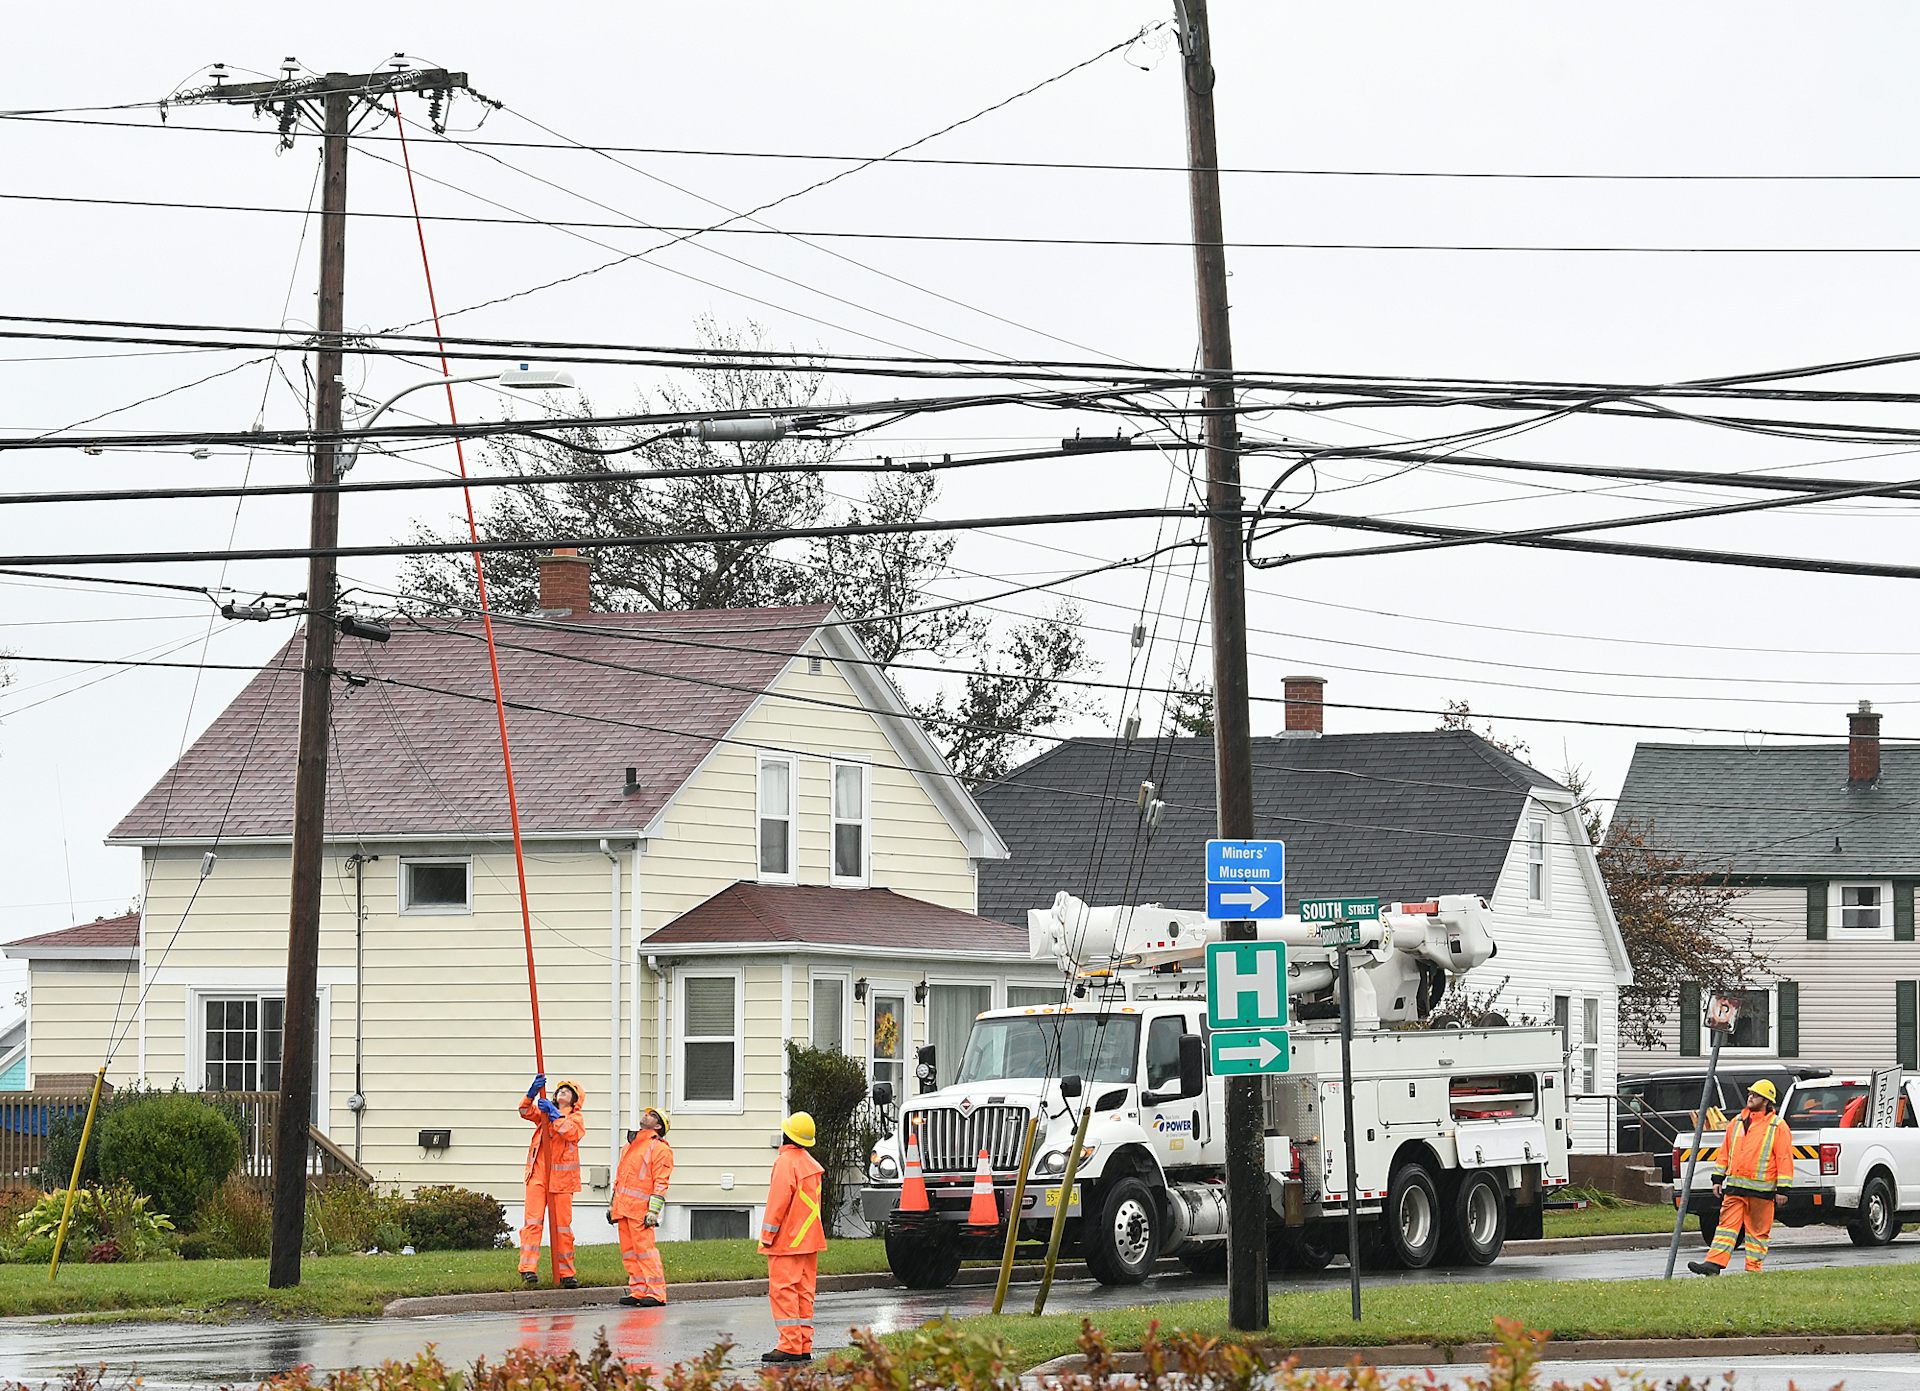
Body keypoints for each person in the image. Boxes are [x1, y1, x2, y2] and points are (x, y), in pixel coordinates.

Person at [1689, 1077, 1794, 1276]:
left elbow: (1784, 1158)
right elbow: (1725, 1152)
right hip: (1735, 1188)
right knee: (1725, 1229)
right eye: (1750, 1094)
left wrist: (1783, 1189)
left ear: (1766, 1101)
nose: (1750, 1097)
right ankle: (1713, 1264)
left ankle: (1753, 1270)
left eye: (1756, 1095)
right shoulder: (1736, 1122)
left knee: (1757, 1234)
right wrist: (1717, 1178)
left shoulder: (1777, 1126)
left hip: (1762, 1192)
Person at [759, 1111, 826, 1364]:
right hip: (809, 1240)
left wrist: (767, 1235)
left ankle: (789, 1344)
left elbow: (778, 1202)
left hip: (787, 1241)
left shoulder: (786, 1162)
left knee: (784, 1291)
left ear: (787, 1134)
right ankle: (802, 1344)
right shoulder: (811, 1164)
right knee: (804, 1292)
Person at [517, 1074, 585, 1288]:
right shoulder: (544, 1113)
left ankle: (566, 1273)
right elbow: (525, 1112)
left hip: (562, 1181)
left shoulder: (575, 1118)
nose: (561, 1093)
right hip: (538, 1174)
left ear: (575, 1101)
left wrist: (555, 1115)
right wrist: (530, 1095)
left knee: (562, 1228)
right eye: (559, 1091)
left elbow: (571, 1133)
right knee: (533, 1223)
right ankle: (528, 1269)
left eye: (567, 1091)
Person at [609, 1106, 674, 1307]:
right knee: (629, 1253)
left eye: (653, 1115)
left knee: (645, 1251)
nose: (647, 1115)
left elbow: (661, 1182)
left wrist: (653, 1211)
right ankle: (638, 1289)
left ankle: (656, 1292)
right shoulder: (630, 1146)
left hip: (640, 1211)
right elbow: (620, 1179)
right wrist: (613, 1205)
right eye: (648, 1113)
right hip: (624, 1208)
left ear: (658, 1126)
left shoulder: (660, 1148)